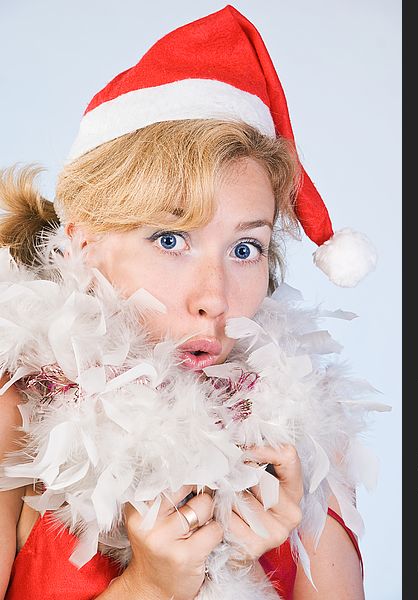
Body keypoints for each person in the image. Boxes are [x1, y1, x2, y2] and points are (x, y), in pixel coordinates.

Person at [0, 5, 378, 599]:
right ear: (85, 244)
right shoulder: (18, 409)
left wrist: (243, 566)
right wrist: (153, 586)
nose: (215, 297)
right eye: (171, 239)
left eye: (245, 248)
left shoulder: (302, 433)